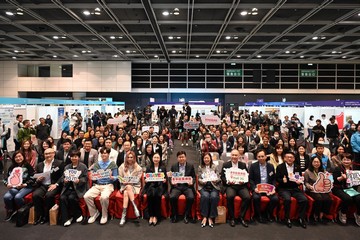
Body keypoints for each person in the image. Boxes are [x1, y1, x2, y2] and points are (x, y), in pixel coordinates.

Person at [84, 147, 118, 225]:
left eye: (105, 153)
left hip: (108, 185)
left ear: (108, 154)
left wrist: (112, 177)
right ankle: (94, 213)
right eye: (102, 153)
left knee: (104, 197)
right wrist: (92, 177)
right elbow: (94, 177)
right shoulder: (97, 164)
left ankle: (104, 215)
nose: (103, 155)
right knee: (86, 196)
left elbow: (116, 177)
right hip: (97, 185)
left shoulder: (113, 164)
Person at [276, 151, 308, 228]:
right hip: (283, 188)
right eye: (288, 157)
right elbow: (277, 179)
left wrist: (299, 182)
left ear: (294, 159)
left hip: (294, 188)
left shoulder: (297, 167)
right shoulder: (280, 167)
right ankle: (287, 219)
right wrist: (282, 181)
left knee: (304, 199)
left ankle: (301, 218)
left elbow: (299, 179)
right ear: (284, 158)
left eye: (291, 157)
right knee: (287, 199)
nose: (289, 159)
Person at [32, 148, 64, 225]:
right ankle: (40, 215)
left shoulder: (59, 163)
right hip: (43, 185)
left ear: (54, 154)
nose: (48, 155)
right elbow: (35, 176)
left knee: (49, 196)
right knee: (36, 195)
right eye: (46, 154)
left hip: (54, 185)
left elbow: (63, 175)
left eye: (50, 153)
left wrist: (56, 184)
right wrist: (38, 179)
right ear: (44, 155)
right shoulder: (40, 165)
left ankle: (47, 216)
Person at [221, 149, 250, 227]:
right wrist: (228, 181)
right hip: (231, 186)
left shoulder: (243, 165)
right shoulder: (225, 165)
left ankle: (241, 217)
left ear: (239, 156)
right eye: (233, 155)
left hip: (241, 186)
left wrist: (243, 181)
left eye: (236, 155)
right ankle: (232, 218)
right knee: (230, 197)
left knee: (247, 197)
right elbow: (222, 177)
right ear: (231, 156)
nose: (234, 157)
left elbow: (247, 176)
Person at [59, 151, 88, 227]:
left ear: (78, 157)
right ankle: (66, 218)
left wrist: (79, 181)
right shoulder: (67, 167)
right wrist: (64, 180)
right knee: (62, 198)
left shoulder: (83, 166)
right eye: (72, 157)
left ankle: (78, 214)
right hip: (68, 187)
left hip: (78, 188)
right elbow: (62, 178)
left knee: (71, 197)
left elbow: (85, 178)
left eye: (75, 156)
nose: (74, 158)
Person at [3, 151, 34, 221]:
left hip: (26, 186)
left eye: (20, 156)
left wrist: (25, 184)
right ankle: (11, 211)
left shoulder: (28, 166)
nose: (18, 158)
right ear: (13, 158)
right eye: (16, 157)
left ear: (23, 157)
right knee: (6, 197)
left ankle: (22, 211)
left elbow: (33, 178)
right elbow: (6, 178)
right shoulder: (12, 167)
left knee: (18, 197)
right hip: (15, 187)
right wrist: (7, 184)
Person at [249, 150, 278, 223]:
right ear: (256, 157)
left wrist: (274, 188)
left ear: (265, 157)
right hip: (258, 188)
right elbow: (251, 179)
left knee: (275, 199)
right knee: (256, 197)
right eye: (259, 156)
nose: (261, 158)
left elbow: (274, 179)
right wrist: (254, 188)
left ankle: (268, 213)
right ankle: (258, 215)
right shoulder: (253, 166)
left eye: (262, 156)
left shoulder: (270, 166)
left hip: (268, 188)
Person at [331, 153, 360, 226]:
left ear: (351, 161)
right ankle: (343, 213)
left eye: (348, 160)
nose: (346, 161)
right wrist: (341, 178)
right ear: (341, 160)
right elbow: (333, 180)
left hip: (349, 189)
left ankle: (358, 214)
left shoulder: (353, 170)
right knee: (347, 199)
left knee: (359, 198)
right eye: (344, 159)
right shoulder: (338, 168)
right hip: (338, 188)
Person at [169, 151, 196, 224]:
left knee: (191, 197)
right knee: (172, 197)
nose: (181, 159)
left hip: (187, 186)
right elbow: (170, 177)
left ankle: (186, 215)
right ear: (177, 158)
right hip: (177, 186)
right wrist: (172, 182)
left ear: (185, 157)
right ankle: (175, 215)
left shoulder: (190, 166)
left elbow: (193, 177)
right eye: (179, 157)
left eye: (183, 157)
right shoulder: (174, 166)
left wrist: (192, 182)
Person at [303, 156, 333, 223]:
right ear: (312, 163)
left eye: (318, 162)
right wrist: (310, 187)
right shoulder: (307, 171)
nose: (316, 163)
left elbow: (328, 180)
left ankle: (322, 213)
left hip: (322, 189)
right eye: (315, 162)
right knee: (319, 199)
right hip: (312, 189)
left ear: (320, 163)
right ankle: (315, 213)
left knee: (328, 199)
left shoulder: (323, 171)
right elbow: (305, 182)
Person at [118, 151, 142, 226]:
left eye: (131, 157)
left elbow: (138, 179)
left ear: (134, 158)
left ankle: (123, 216)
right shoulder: (122, 166)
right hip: (124, 185)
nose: (130, 158)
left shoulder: (138, 167)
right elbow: (119, 178)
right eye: (128, 157)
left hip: (135, 186)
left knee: (126, 191)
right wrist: (124, 181)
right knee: (127, 188)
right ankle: (135, 207)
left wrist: (131, 182)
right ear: (126, 158)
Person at [143, 152, 167, 226]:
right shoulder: (148, 167)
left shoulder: (163, 167)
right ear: (152, 159)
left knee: (157, 195)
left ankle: (156, 216)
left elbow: (165, 177)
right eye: (155, 157)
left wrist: (165, 180)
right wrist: (146, 180)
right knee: (151, 194)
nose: (156, 159)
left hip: (160, 185)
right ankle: (151, 215)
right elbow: (145, 177)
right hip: (151, 185)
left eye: (157, 158)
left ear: (160, 159)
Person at [198, 152, 221, 228]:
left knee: (214, 197)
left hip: (213, 186)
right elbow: (199, 179)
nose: (206, 159)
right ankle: (204, 216)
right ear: (203, 159)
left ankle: (211, 217)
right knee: (205, 196)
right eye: (205, 158)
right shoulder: (200, 167)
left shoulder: (215, 166)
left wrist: (215, 180)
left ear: (210, 159)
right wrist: (202, 181)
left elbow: (218, 178)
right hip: (204, 186)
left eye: (208, 158)